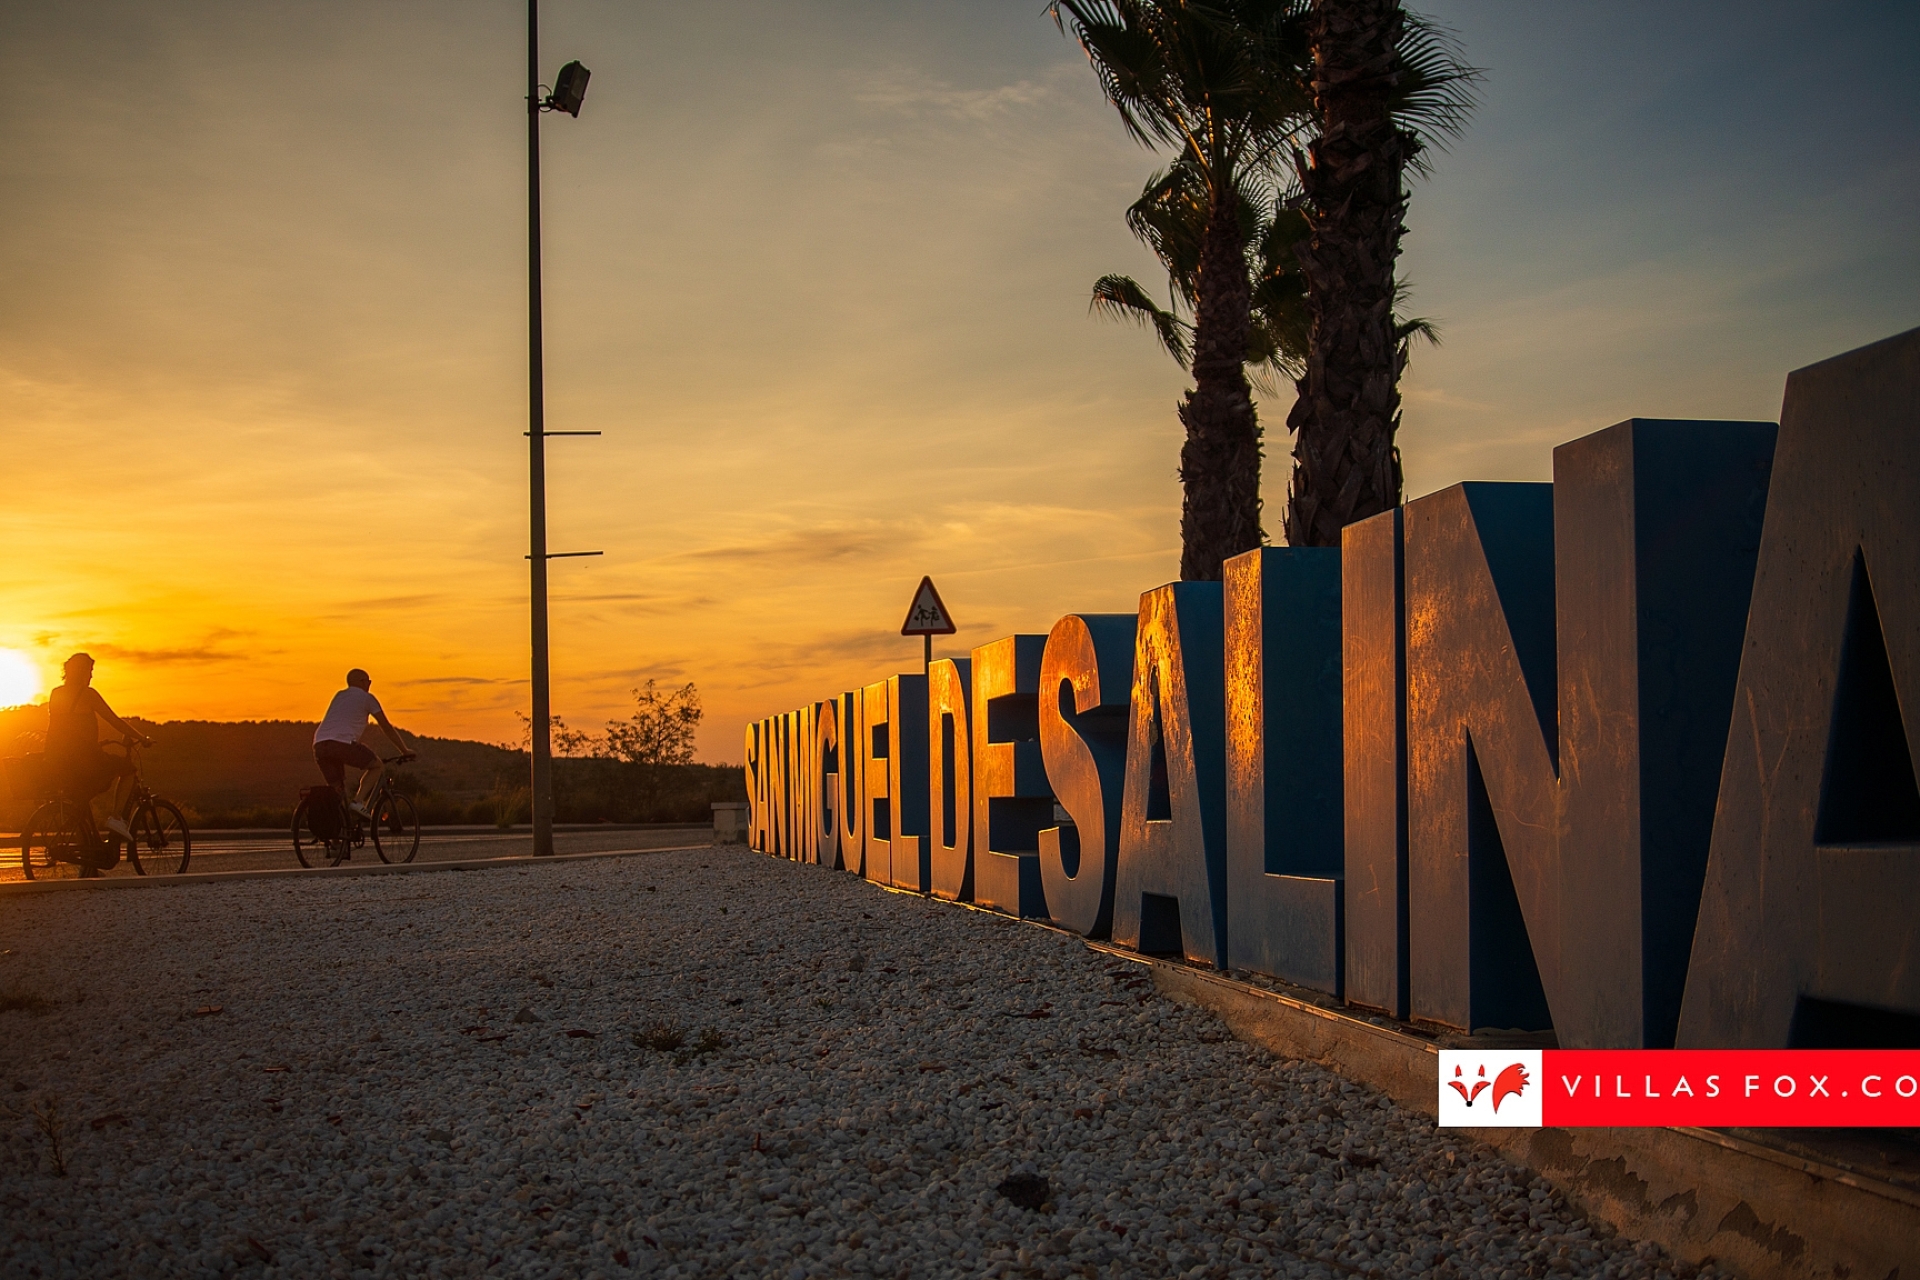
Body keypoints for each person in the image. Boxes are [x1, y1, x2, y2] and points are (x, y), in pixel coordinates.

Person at [46, 652, 152, 845]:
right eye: (90, 670)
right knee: (128, 770)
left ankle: (89, 854)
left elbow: (57, 728)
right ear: (81, 672)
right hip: (86, 759)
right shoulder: (88, 694)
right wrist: (141, 737)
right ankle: (117, 818)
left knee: (81, 802)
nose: (91, 675)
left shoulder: (56, 693)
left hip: (61, 760)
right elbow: (114, 721)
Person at [313, 668, 415, 817]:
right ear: (362, 682)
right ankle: (358, 802)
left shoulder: (339, 695)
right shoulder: (368, 698)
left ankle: (336, 828)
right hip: (342, 743)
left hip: (319, 745)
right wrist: (404, 750)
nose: (369, 685)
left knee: (337, 790)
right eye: (368, 681)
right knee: (377, 766)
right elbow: (386, 727)